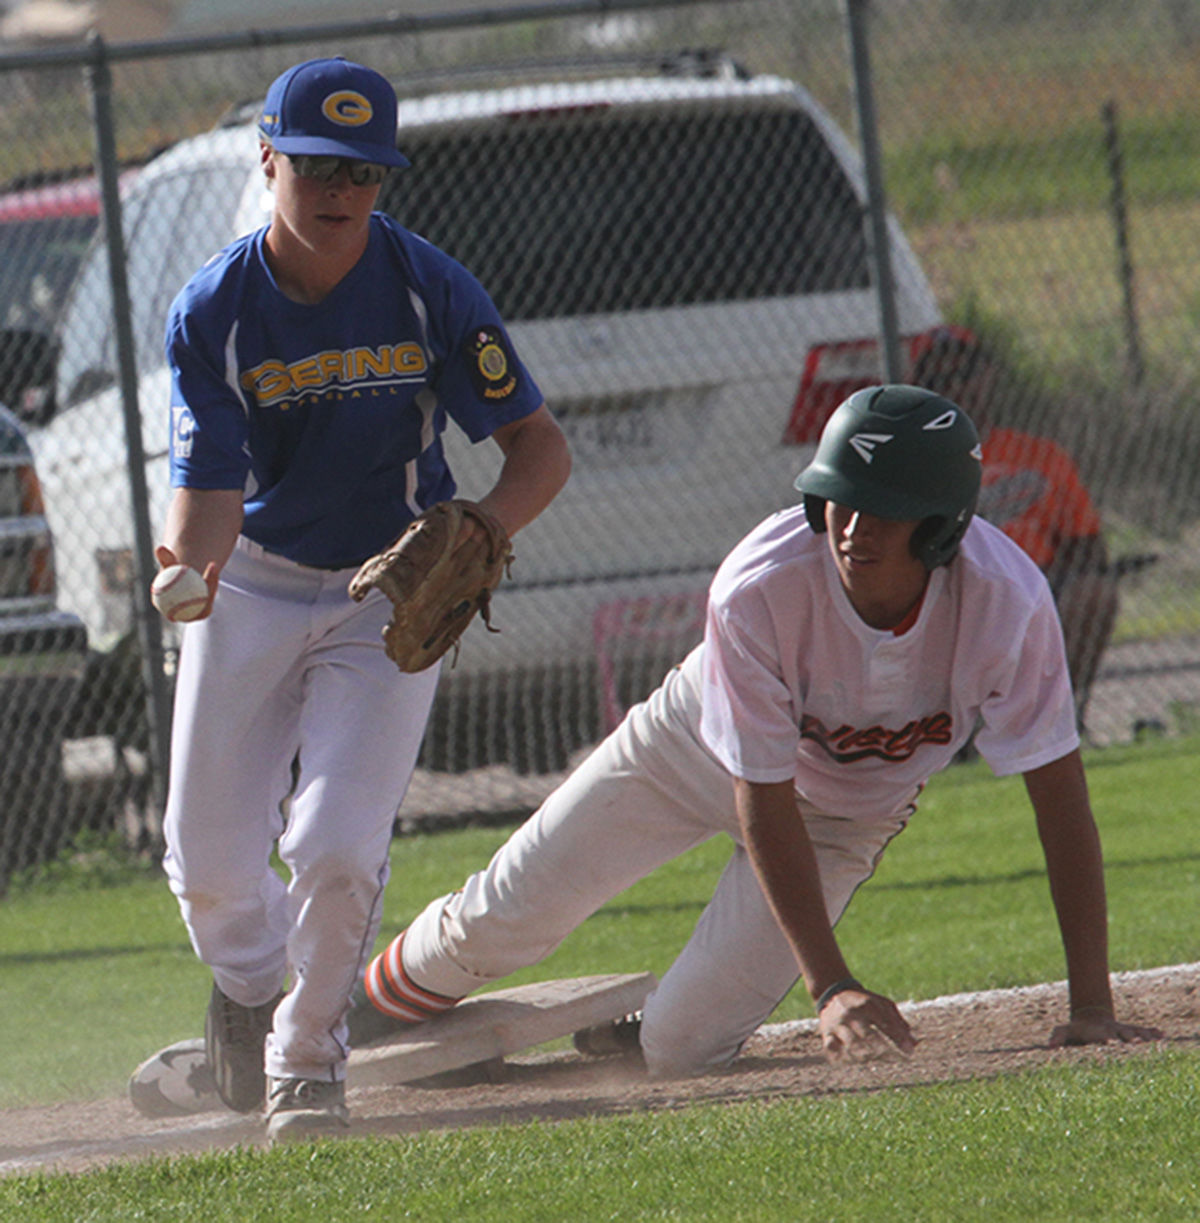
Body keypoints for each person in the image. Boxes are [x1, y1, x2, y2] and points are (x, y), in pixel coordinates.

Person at [362, 384, 1160, 1077]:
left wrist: (1091, 1002)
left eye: (886, 510)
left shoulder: (1006, 604)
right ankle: (333, 1018)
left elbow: (1060, 800)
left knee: (681, 1048)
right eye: (841, 497)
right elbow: (762, 791)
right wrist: (830, 983)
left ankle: (637, 1036)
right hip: (693, 750)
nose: (853, 527)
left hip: (848, 816)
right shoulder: (761, 583)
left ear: (942, 527)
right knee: (507, 912)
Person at [156, 56, 570, 1143]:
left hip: (387, 592)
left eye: (366, 171)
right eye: (319, 167)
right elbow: (208, 495)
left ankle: (306, 1060)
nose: (342, 192)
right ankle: (250, 994)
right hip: (250, 582)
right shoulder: (215, 310)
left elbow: (538, 447)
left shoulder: (430, 284)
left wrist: (484, 526)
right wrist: (190, 566)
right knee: (206, 864)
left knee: (337, 843)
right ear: (269, 159)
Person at [910, 329, 1120, 727]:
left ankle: (1051, 721)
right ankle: (961, 733)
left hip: (1040, 583)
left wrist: (1036, 584)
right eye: (940, 380)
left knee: (1095, 593)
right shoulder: (914, 462)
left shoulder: (1039, 455)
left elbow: (1089, 547)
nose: (956, 387)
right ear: (920, 388)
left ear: (988, 375)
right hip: (953, 591)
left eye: (966, 373)